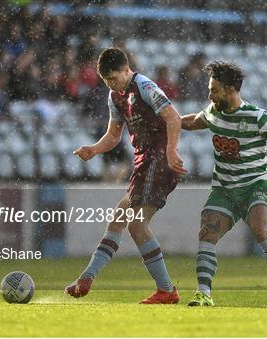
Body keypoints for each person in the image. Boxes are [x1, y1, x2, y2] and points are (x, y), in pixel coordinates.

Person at [65, 48, 186, 304]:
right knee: (118, 220)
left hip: (158, 159)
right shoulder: (114, 96)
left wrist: (171, 150)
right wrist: (94, 149)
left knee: (137, 224)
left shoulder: (144, 85)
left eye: (114, 78)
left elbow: (173, 117)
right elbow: (112, 136)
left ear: (126, 69)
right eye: (106, 80)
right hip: (144, 161)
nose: (111, 83)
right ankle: (87, 278)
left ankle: (166, 290)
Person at [181, 61, 267, 308]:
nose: (210, 94)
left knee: (261, 230)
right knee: (207, 233)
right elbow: (193, 121)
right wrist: (168, 118)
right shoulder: (213, 112)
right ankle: (203, 293)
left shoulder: (257, 117)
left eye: (214, 89)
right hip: (224, 189)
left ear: (229, 90)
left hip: (254, 186)